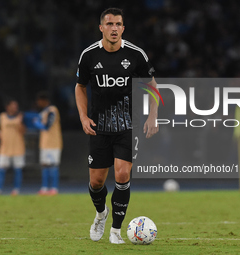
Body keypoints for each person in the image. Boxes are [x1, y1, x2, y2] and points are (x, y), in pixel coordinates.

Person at [75, 8, 158, 244]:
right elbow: (80, 87)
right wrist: (83, 117)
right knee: (96, 182)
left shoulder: (136, 54)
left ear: (123, 28)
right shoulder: (89, 55)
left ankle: (116, 231)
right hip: (99, 126)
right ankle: (101, 214)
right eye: (109, 24)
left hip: (127, 126)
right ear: (101, 27)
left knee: (122, 174)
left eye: (118, 24)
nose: (114, 28)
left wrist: (153, 115)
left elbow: (152, 85)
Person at [0, 98, 26, 196]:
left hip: (18, 147)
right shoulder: (2, 117)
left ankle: (16, 190)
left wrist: (20, 122)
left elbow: (23, 131)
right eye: (13, 105)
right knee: (1, 169)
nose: (15, 107)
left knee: (18, 170)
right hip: (5, 147)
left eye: (16, 106)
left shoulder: (20, 117)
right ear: (7, 106)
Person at [33, 91, 63, 196]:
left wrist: (37, 123)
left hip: (54, 143)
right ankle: (45, 188)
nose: (38, 103)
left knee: (53, 165)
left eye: (39, 101)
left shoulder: (52, 110)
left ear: (43, 101)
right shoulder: (44, 111)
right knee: (45, 165)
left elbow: (47, 126)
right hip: (45, 143)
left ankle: (54, 188)